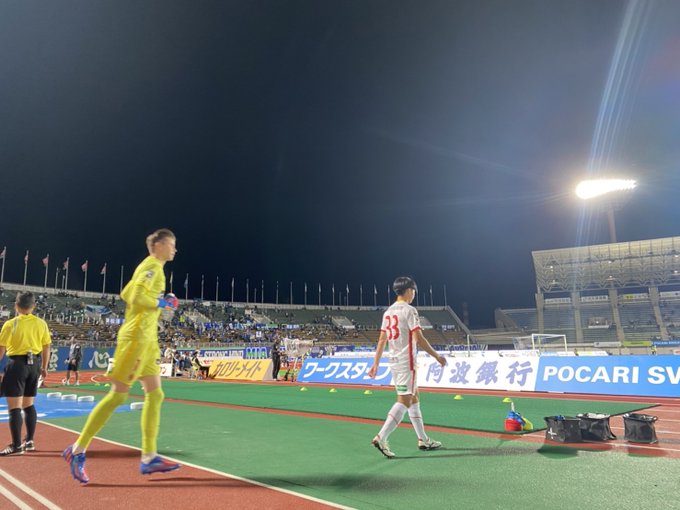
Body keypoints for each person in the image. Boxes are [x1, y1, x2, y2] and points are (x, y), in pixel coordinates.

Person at [63, 229, 181, 483]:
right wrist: (162, 303)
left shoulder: (152, 268)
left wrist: (161, 300)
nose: (175, 249)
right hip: (136, 338)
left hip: (148, 340)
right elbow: (133, 296)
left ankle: (149, 456)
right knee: (118, 395)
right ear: (158, 245)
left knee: (156, 394)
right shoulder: (152, 266)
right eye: (171, 244)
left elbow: (128, 291)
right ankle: (77, 449)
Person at [368, 276, 447, 458]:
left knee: (414, 397)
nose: (414, 295)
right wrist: (437, 356)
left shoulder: (388, 312)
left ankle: (423, 439)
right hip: (407, 362)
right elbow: (418, 338)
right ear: (409, 290)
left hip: (394, 361)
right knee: (404, 400)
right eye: (414, 292)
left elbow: (382, 340)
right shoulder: (410, 310)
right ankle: (381, 437)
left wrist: (375, 364)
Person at [0, 292, 51, 456]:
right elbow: (46, 346)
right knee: (28, 405)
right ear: (33, 306)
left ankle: (16, 446)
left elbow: (1, 349)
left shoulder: (11, 324)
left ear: (16, 306)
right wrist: (44, 367)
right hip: (34, 365)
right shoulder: (41, 323)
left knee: (14, 407)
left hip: (17, 365)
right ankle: (29, 441)